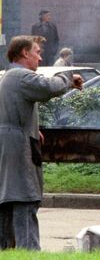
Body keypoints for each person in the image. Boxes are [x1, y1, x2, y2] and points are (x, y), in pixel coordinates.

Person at [0, 36, 83, 250]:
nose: (40, 56)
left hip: (12, 143)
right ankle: (29, 253)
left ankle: (8, 252)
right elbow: (48, 87)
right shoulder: (20, 76)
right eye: (36, 51)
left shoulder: (10, 77)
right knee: (24, 199)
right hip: (17, 147)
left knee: (8, 203)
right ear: (25, 53)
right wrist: (68, 78)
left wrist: (32, 128)